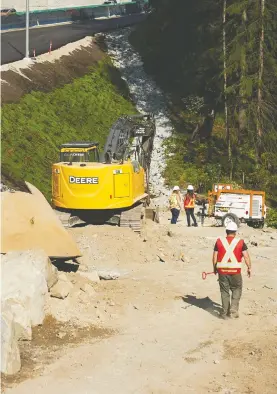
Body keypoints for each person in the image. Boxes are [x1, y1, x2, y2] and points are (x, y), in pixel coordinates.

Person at [212, 222, 251, 319]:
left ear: (226, 231)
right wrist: (249, 268)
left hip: (222, 271)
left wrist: (214, 268)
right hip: (235, 272)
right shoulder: (241, 242)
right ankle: (233, 309)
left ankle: (224, 313)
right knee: (237, 289)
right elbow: (246, 256)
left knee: (224, 292)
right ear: (235, 232)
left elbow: (214, 257)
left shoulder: (219, 241)